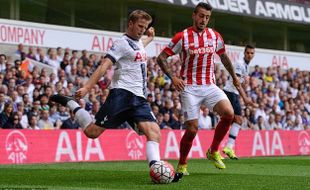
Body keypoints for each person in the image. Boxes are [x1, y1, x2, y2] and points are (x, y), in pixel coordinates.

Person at [50, 10, 182, 182]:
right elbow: (105, 65)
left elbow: (142, 43)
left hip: (139, 98)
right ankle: (71, 104)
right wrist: (88, 87)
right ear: (130, 24)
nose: (142, 30)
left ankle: (157, 173)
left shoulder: (139, 41)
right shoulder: (121, 43)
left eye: (145, 27)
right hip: (122, 95)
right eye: (140, 26)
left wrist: (151, 36)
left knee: (154, 132)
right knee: (92, 132)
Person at [156, 2, 250, 174]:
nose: (203, 20)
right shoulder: (182, 37)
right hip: (189, 87)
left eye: (207, 17)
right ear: (193, 15)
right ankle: (182, 164)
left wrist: (235, 77)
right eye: (201, 16)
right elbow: (161, 58)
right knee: (192, 129)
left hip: (209, 85)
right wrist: (173, 77)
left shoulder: (215, 36)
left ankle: (213, 151)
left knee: (229, 114)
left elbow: (224, 57)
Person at [222, 45, 257, 159]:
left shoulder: (246, 66)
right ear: (244, 53)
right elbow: (236, 82)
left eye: (252, 53)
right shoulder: (239, 64)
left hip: (234, 94)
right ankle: (227, 147)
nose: (250, 55)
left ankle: (226, 147)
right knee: (237, 120)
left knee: (233, 120)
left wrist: (246, 83)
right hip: (230, 92)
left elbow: (239, 82)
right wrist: (246, 98)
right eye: (248, 53)